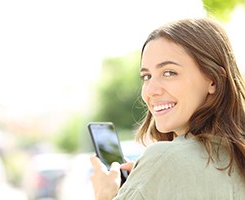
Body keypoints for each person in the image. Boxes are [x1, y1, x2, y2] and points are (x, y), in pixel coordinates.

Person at [90, 18, 245, 199]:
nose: (151, 90)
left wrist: (105, 194)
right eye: (146, 76)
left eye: (169, 73)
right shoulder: (236, 158)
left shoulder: (165, 159)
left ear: (213, 80)